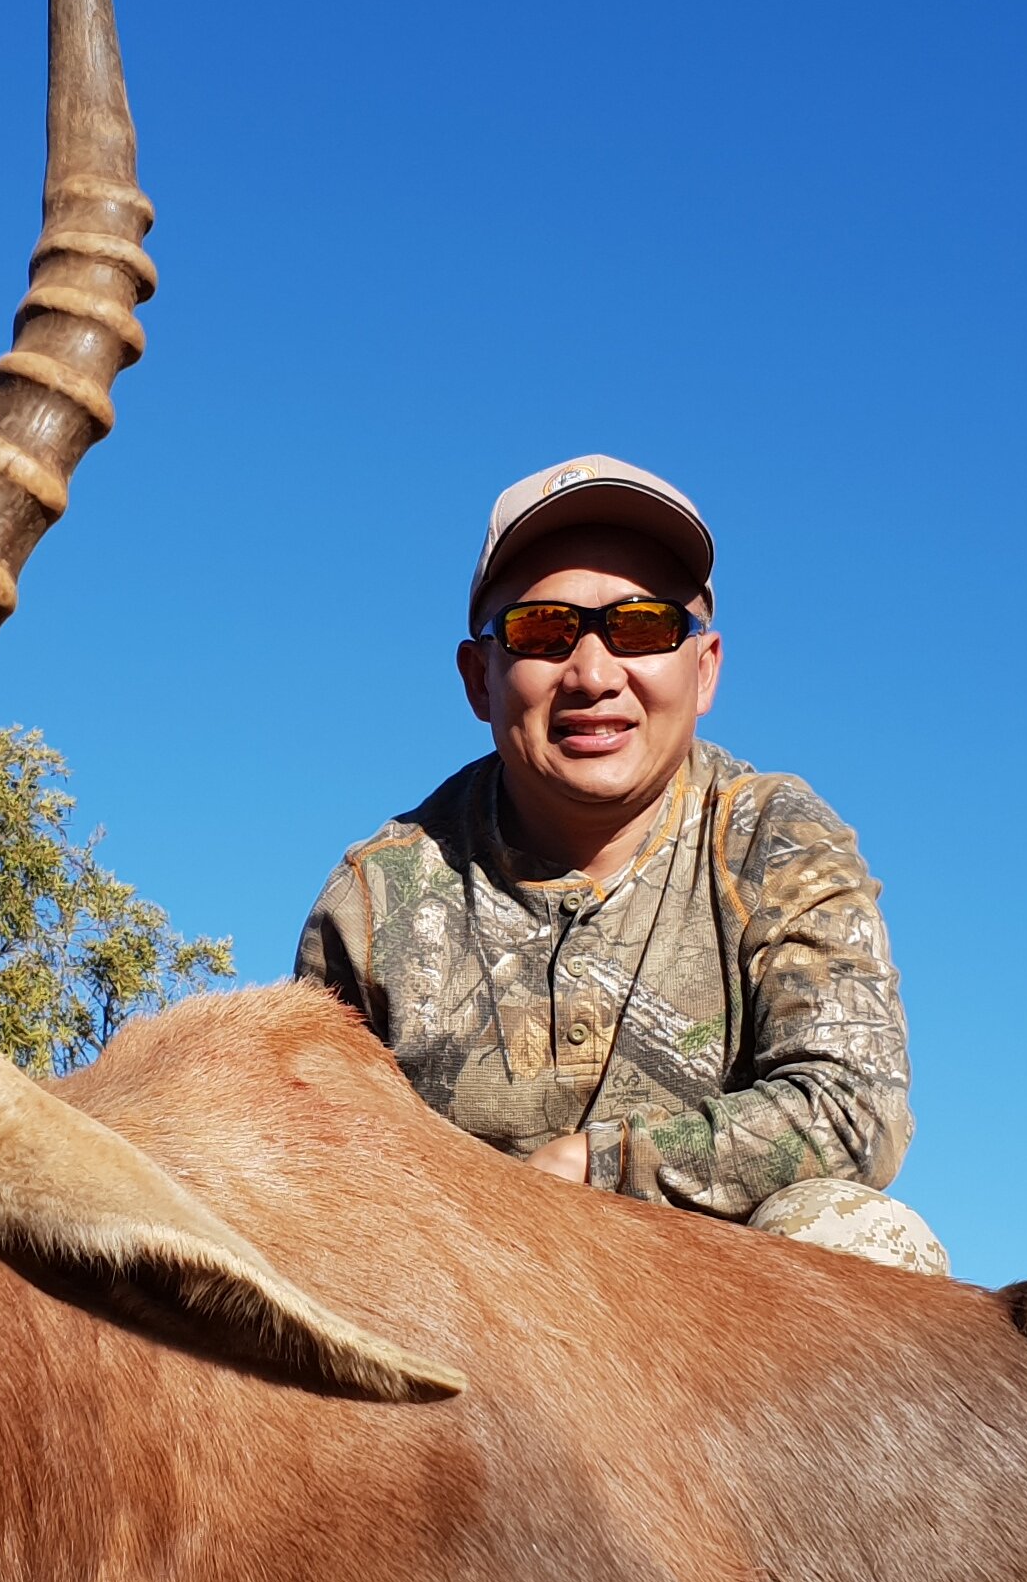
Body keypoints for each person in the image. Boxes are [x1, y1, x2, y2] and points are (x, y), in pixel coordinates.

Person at [296, 453, 945, 1274]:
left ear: (704, 669)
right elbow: (318, 1176)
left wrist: (594, 1168)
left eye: (642, 627)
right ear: (479, 680)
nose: (594, 676)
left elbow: (855, 1110)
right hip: (466, 1306)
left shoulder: (771, 839)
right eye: (541, 631)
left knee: (855, 1237)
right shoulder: (376, 895)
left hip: (713, 1318)